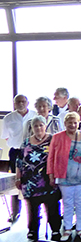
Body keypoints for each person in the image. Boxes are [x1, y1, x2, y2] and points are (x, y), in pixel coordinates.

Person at [47, 112, 81, 242]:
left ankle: (80, 229)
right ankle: (67, 228)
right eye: (69, 122)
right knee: (67, 203)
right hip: (64, 176)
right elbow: (50, 158)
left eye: (75, 122)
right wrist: (51, 175)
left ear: (79, 123)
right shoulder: (57, 137)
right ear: (65, 123)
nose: (72, 125)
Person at [16, 115, 61, 240]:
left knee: (52, 205)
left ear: (45, 126)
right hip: (30, 181)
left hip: (48, 179)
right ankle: (33, 229)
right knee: (32, 208)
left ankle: (56, 229)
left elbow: (58, 158)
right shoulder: (26, 142)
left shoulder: (52, 139)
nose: (38, 128)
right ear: (32, 128)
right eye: (35, 126)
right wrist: (18, 177)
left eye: (41, 125)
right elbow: (19, 161)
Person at [2, 94, 37, 223]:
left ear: (28, 103)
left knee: (33, 181)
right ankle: (15, 212)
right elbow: (6, 137)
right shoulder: (8, 118)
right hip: (15, 152)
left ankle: (34, 213)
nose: (21, 104)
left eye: (23, 101)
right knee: (16, 181)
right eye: (18, 102)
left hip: (32, 152)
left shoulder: (34, 115)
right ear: (14, 104)